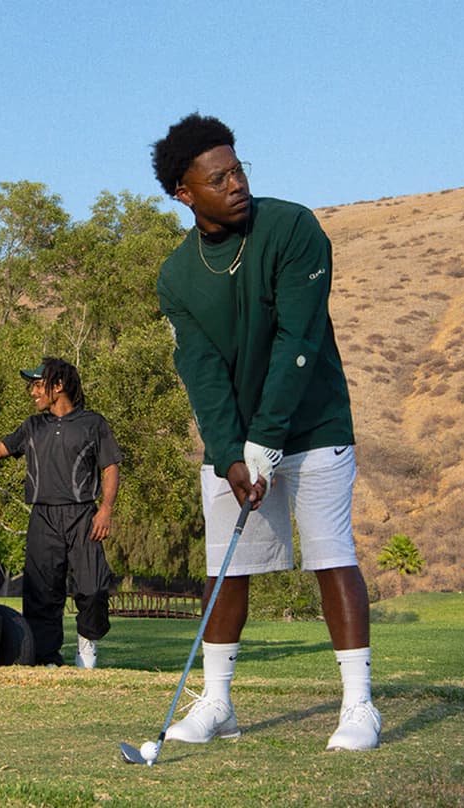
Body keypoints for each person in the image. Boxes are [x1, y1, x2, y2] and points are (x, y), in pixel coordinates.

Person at [151, 113, 379, 751]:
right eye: (217, 178)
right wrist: (230, 456)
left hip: (314, 423)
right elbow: (201, 374)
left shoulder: (293, 228)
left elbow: (297, 339)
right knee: (227, 568)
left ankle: (359, 705)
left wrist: (268, 439)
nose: (236, 184)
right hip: (240, 441)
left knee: (331, 553)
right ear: (184, 193)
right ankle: (217, 703)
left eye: (238, 168)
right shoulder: (177, 277)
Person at [0, 358, 121, 668]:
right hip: (43, 518)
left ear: (59, 385)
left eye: (38, 385)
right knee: (42, 593)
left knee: (92, 587)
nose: (33, 392)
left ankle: (87, 644)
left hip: (83, 516)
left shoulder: (94, 424)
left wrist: (105, 509)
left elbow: (110, 467)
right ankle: (46, 658)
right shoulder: (32, 426)